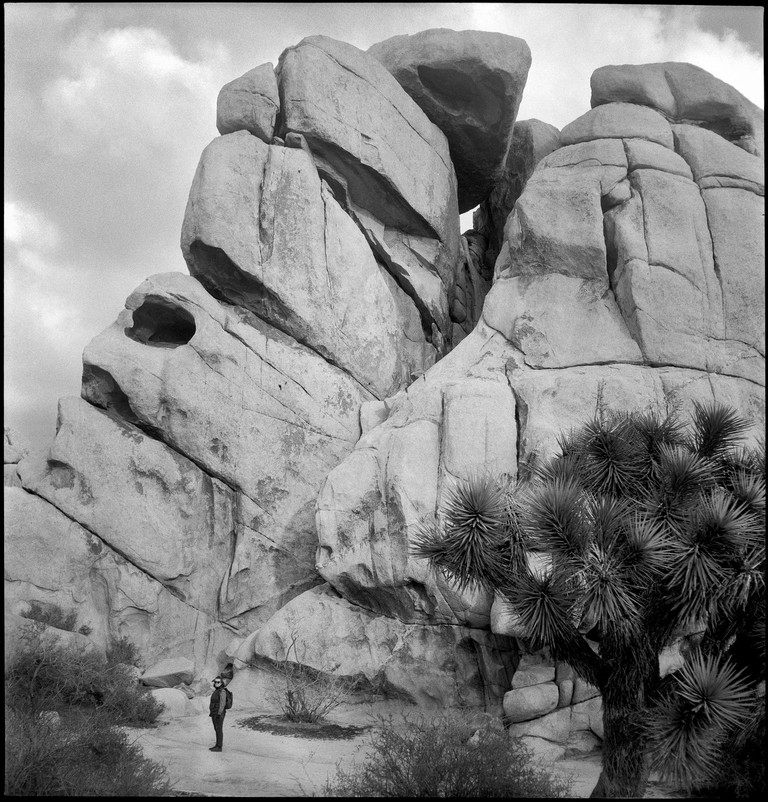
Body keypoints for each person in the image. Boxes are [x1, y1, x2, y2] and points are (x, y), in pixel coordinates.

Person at [208, 675, 232, 752]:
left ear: (221, 683)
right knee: (217, 729)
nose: (216, 683)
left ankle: (219, 747)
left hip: (219, 713)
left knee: (219, 729)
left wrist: (219, 713)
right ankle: (217, 745)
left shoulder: (222, 691)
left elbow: (222, 703)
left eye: (218, 682)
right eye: (215, 682)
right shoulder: (217, 690)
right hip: (214, 712)